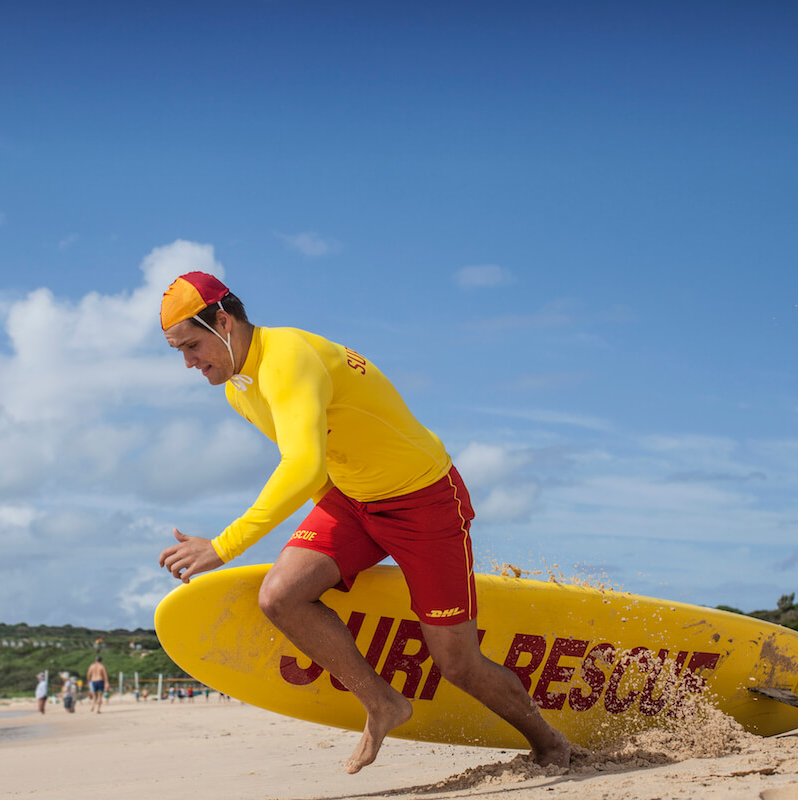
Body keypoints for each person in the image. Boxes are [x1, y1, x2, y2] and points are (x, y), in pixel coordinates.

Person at [157, 271, 571, 774]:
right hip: (352, 500)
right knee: (279, 596)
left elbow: (302, 465)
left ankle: (550, 744)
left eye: (193, 345)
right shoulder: (238, 390)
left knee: (457, 663)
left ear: (224, 321)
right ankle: (382, 703)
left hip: (424, 500)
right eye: (179, 351)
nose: (188, 362)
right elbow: (320, 464)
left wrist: (223, 546)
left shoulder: (286, 359)